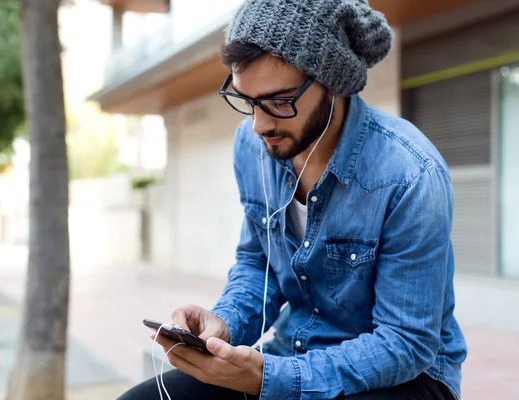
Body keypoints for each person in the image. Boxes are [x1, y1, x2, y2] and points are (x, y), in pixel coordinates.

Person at [118, 0, 468, 399]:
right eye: (247, 101)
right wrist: (224, 325)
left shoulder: (409, 173)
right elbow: (257, 264)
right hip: (292, 353)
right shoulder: (252, 146)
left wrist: (270, 378)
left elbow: (406, 343)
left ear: (332, 82)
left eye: (279, 101)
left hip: (406, 377)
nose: (259, 124)